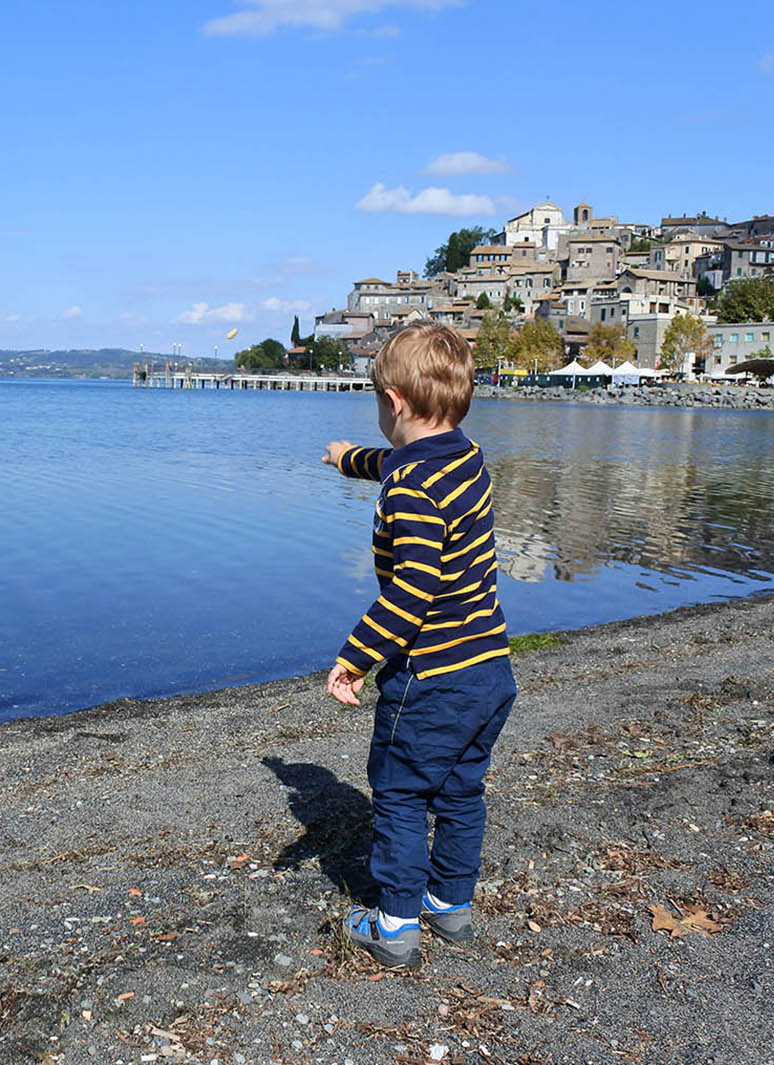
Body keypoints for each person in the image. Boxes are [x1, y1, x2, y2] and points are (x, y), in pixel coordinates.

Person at [320, 321, 516, 970]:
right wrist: (351, 458)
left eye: (378, 400)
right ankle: (449, 903)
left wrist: (356, 656)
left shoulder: (410, 488)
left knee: (400, 791)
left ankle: (396, 924)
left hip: (433, 674)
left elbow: (411, 592)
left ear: (395, 403)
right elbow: (397, 462)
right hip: (489, 667)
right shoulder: (465, 455)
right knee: (461, 789)